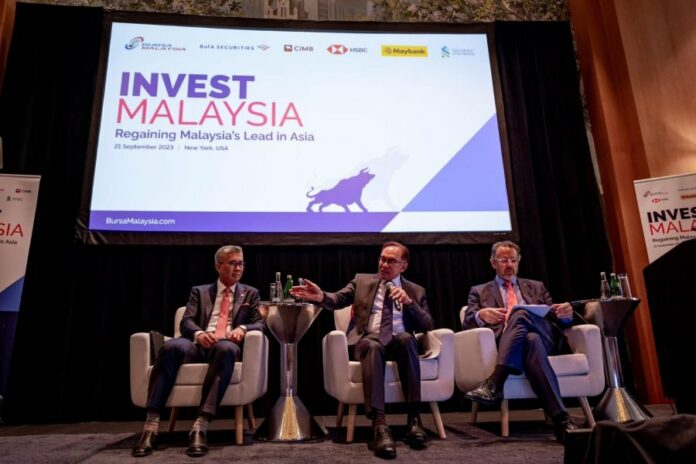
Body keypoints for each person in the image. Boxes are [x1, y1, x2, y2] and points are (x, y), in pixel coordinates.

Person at [290, 241, 433, 459]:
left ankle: (414, 419)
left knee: (406, 339)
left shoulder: (415, 290)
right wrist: (321, 297)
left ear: (403, 266)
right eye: (382, 259)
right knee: (373, 346)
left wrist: (409, 303)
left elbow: (427, 324)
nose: (384, 264)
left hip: (400, 340)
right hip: (369, 339)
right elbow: (338, 299)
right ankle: (380, 426)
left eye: (391, 261)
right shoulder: (362, 281)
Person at [132, 245, 265, 458]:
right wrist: (199, 334)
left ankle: (200, 427)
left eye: (241, 263)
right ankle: (151, 426)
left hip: (225, 345)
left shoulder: (251, 293)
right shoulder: (200, 291)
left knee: (226, 349)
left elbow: (260, 323)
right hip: (197, 344)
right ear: (218, 266)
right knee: (171, 346)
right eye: (233, 263)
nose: (238, 268)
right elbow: (186, 321)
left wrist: (242, 328)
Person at [462, 241, 578, 444]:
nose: (509, 265)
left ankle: (495, 382)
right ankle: (561, 420)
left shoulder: (536, 286)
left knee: (521, 313)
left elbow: (554, 317)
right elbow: (467, 322)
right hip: (509, 343)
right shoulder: (479, 291)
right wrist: (481, 315)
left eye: (513, 260)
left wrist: (566, 315)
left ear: (519, 261)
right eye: (504, 260)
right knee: (531, 339)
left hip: (546, 337)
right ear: (493, 263)